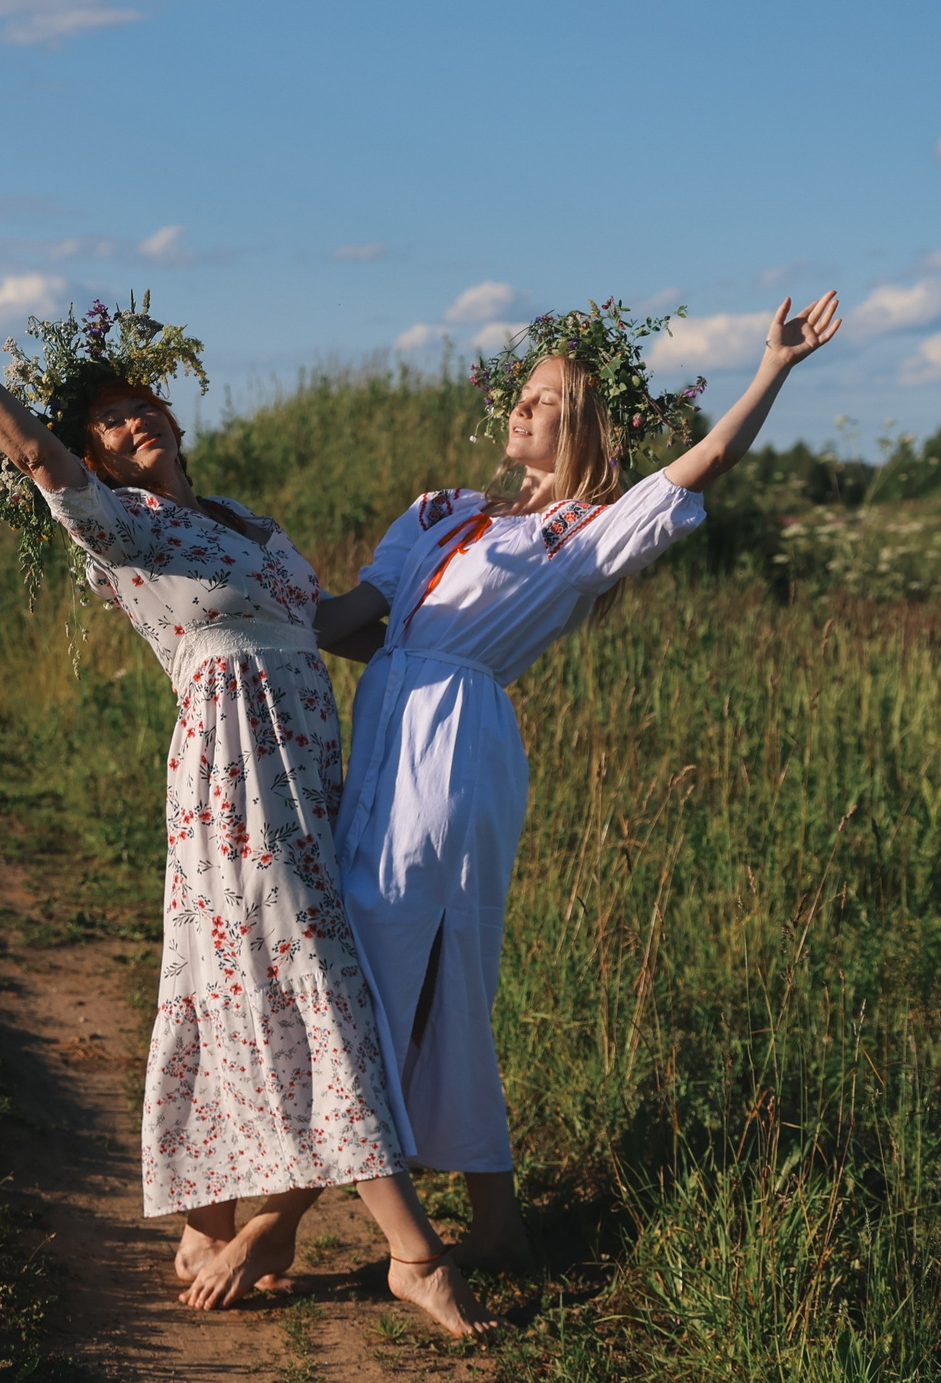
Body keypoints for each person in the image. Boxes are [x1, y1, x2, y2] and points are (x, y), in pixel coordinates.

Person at [0, 263, 498, 1336]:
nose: (130, 423)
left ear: (173, 415)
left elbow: (335, 623)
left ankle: (210, 1222)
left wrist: (468, 603)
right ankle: (412, 1253)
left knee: (242, 981)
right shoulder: (123, 528)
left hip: (313, 779)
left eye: (139, 405)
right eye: (106, 424)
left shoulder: (251, 524)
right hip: (234, 784)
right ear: (98, 458)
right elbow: (32, 452)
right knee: (310, 978)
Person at [317, 292, 842, 1267]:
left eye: (547, 399)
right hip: (388, 731)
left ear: (586, 425)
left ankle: (285, 1225)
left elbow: (708, 461)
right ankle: (497, 1225)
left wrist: (771, 368)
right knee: (395, 961)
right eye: (521, 393)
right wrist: (224, 579)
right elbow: (352, 622)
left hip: (455, 753)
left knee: (385, 961)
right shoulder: (439, 511)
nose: (520, 407)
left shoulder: (583, 533)